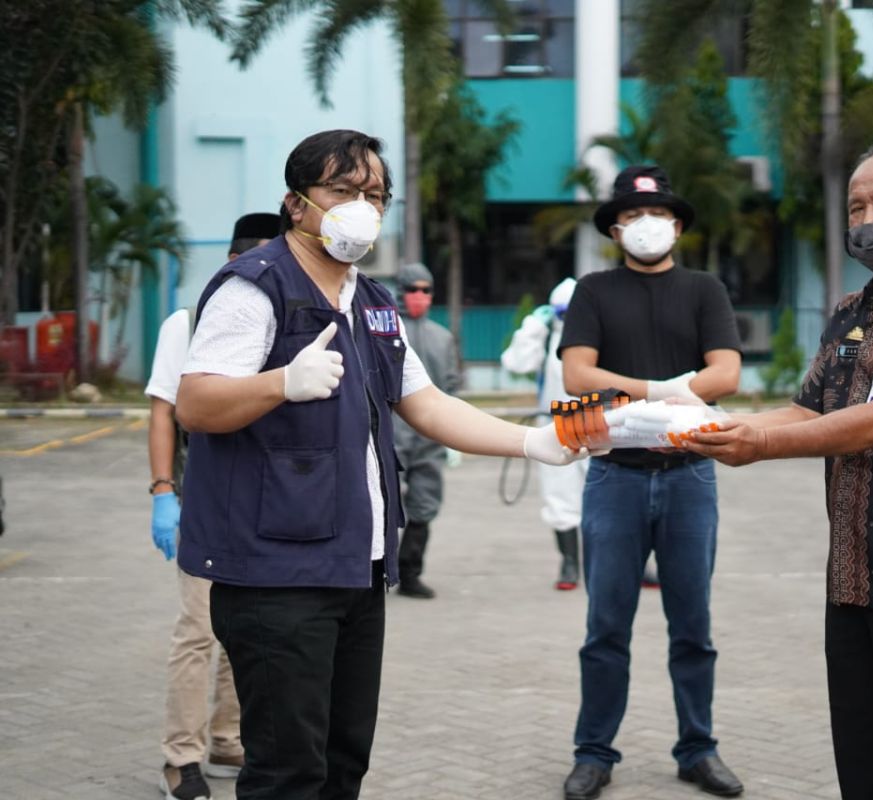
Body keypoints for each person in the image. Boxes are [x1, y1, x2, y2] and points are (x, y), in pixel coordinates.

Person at [173, 129, 586, 800]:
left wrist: (532, 441)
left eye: (374, 195)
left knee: (342, 764)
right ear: (296, 203)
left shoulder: (372, 303)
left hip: (356, 569)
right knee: (286, 772)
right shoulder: (256, 287)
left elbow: (425, 403)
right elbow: (195, 402)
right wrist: (279, 382)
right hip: (275, 575)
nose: (361, 207)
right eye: (342, 191)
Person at [684, 143, 873, 800]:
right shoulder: (851, 312)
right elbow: (805, 409)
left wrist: (760, 449)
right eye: (857, 207)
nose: (867, 219)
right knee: (866, 765)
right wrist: (701, 428)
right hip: (852, 578)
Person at [557, 164, 743, 800]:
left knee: (693, 624)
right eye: (633, 216)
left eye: (658, 214)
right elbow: (576, 375)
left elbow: (729, 373)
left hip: (691, 476)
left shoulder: (704, 290)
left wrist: (651, 393)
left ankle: (698, 748)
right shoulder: (594, 291)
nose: (646, 225)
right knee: (606, 625)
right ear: (614, 227)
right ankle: (594, 752)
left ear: (678, 225)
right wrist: (664, 391)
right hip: (615, 477)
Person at [145, 211, 279, 800]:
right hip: (202, 501)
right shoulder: (190, 320)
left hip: (264, 502)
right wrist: (161, 492)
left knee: (242, 629)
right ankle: (181, 758)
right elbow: (161, 411)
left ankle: (228, 737)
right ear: (232, 260)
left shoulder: (284, 319)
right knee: (198, 630)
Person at [501, 277, 589, 590]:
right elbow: (515, 362)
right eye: (563, 313)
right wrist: (531, 329)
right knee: (561, 497)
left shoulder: (599, 335)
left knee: (611, 493)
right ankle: (569, 563)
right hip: (557, 426)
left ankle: (632, 562)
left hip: (600, 424)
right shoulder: (547, 336)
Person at [391, 261, 461, 599]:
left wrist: (453, 437)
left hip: (430, 440)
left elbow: (450, 386)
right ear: (400, 292)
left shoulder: (443, 338)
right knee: (382, 505)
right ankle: (376, 572)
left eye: (425, 290)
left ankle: (410, 572)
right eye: (412, 289)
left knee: (425, 504)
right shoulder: (386, 332)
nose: (419, 296)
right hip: (389, 437)